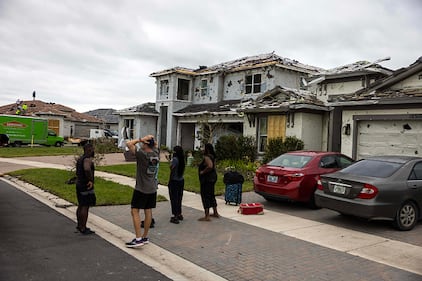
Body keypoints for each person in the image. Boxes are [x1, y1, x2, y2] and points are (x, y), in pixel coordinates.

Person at [125, 135, 159, 248]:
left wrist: (140, 139)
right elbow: (155, 145)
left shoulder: (142, 154)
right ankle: (145, 236)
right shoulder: (156, 153)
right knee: (148, 211)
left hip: (141, 188)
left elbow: (129, 144)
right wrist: (150, 140)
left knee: (135, 211)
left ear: (145, 144)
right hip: (152, 187)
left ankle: (138, 238)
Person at [75, 142, 96, 235]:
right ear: (89, 150)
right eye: (92, 149)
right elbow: (87, 169)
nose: (93, 151)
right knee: (85, 206)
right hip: (85, 185)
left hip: (79, 184)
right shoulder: (87, 159)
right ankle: (83, 227)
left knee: (80, 205)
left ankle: (79, 225)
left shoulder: (80, 159)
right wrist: (90, 180)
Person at [198, 143, 220, 221]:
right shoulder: (213, 156)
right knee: (211, 194)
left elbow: (210, 166)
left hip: (207, 179)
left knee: (205, 195)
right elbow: (213, 166)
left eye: (204, 148)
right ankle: (215, 212)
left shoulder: (207, 157)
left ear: (207, 149)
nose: (203, 149)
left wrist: (203, 172)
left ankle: (207, 216)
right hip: (213, 178)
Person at [168, 146, 185, 224]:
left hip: (174, 181)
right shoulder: (182, 159)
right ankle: (179, 213)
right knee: (179, 197)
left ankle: (175, 216)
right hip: (181, 180)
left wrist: (169, 160)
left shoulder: (175, 159)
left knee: (174, 198)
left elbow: (171, 167)